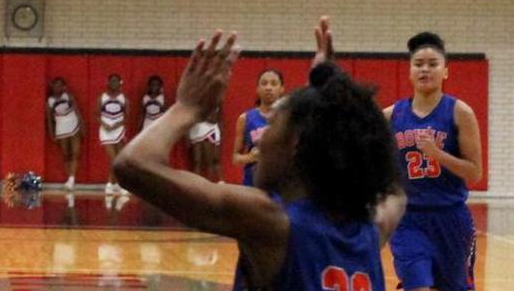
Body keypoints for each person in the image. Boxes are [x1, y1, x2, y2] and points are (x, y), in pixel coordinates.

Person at [114, 19, 406, 291]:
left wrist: (187, 108)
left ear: (295, 145)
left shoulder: (271, 221)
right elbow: (391, 180)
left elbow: (133, 164)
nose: (262, 138)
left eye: (272, 126)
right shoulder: (375, 223)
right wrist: (336, 96)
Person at [386, 31, 483, 291]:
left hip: (450, 218)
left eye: (432, 64)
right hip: (409, 219)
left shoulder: (460, 112)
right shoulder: (391, 115)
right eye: (418, 64)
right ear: (409, 71)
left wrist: (438, 155)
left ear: (445, 71)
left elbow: (474, 173)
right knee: (418, 285)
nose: (425, 69)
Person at [232, 68, 285, 186]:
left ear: (282, 88)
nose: (268, 88)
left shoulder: (288, 119)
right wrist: (251, 157)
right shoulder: (245, 119)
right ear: (257, 89)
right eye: (264, 83)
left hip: (280, 185)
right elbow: (235, 158)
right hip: (252, 185)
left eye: (274, 83)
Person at [47, 76, 82, 190]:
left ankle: (72, 179)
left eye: (60, 85)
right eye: (55, 85)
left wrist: (82, 125)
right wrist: (52, 133)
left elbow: (77, 110)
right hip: (61, 128)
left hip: (73, 125)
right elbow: (49, 119)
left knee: (75, 152)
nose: (57, 87)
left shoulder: (68, 97)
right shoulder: (50, 101)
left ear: (64, 87)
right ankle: (69, 178)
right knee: (66, 154)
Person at [98, 73, 128, 196]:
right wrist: (104, 124)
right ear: (108, 83)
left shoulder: (123, 98)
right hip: (106, 130)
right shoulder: (102, 97)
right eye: (111, 81)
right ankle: (110, 184)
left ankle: (116, 184)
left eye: (116, 81)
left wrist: (117, 124)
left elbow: (127, 115)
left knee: (119, 159)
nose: (113, 83)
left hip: (118, 129)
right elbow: (96, 114)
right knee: (114, 159)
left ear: (120, 83)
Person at [188, 107, 222, 182]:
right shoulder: (193, 100)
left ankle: (210, 185)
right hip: (195, 129)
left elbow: (215, 119)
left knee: (209, 160)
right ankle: (196, 185)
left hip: (208, 129)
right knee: (197, 161)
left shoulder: (214, 100)